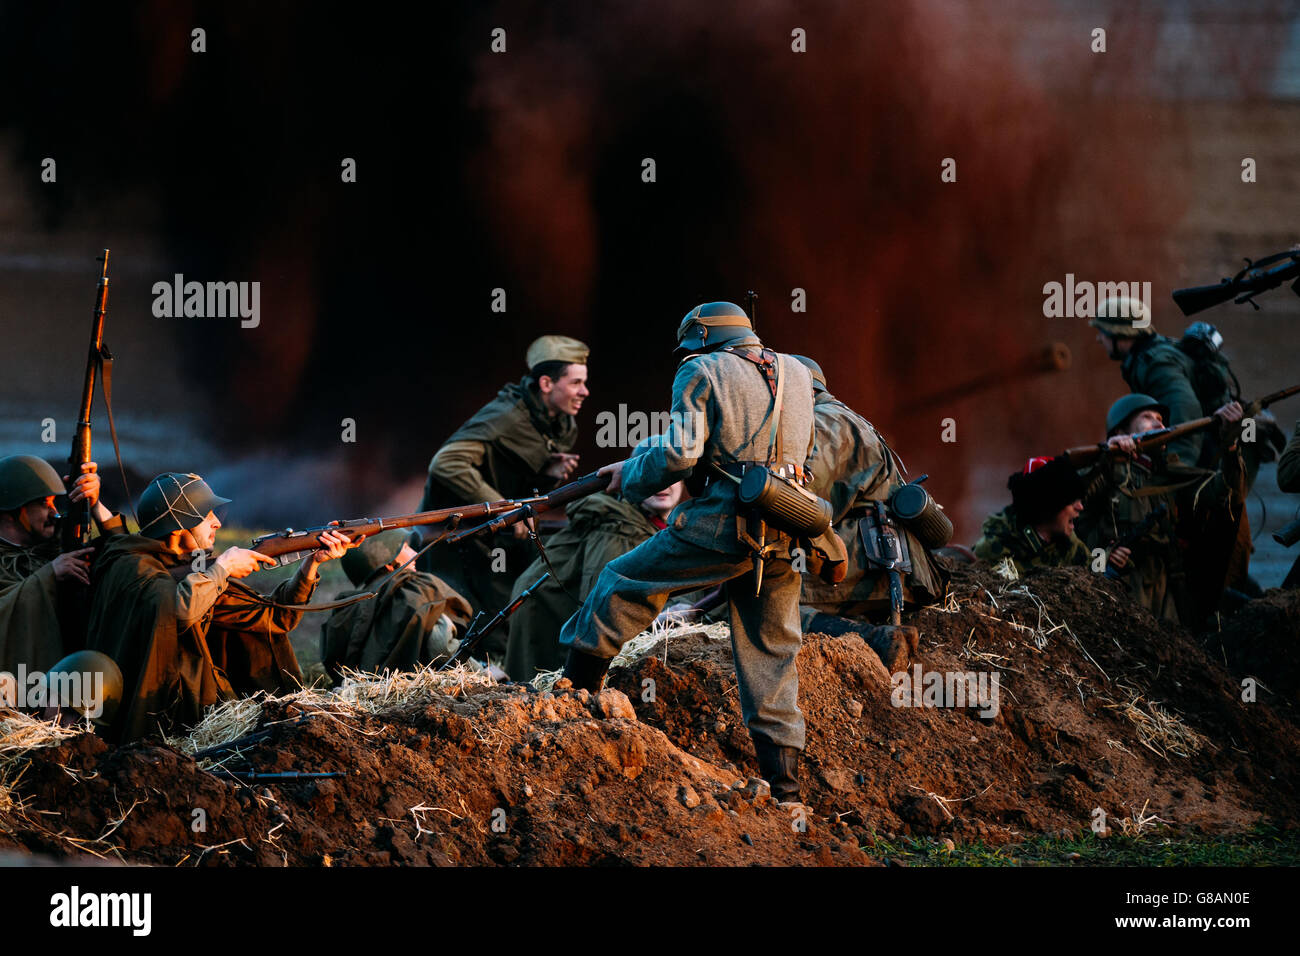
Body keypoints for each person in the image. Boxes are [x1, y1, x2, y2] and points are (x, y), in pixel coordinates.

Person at [557, 301, 821, 804]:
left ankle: (572, 697)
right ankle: (787, 792)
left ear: (700, 338)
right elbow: (775, 445)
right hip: (787, 524)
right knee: (773, 656)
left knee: (620, 582)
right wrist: (636, 457)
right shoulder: (797, 370)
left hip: (722, 526)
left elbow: (682, 452)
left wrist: (633, 477)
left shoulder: (698, 370)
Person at [88, 472, 349, 741]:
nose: (216, 523)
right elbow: (175, 611)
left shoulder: (130, 558)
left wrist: (311, 563)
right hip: (164, 726)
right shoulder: (141, 570)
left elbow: (275, 616)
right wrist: (223, 568)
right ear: (179, 527)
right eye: (206, 514)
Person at [417, 335, 590, 652]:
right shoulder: (508, 415)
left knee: (524, 599)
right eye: (576, 382)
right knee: (475, 620)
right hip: (455, 536)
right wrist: (501, 510)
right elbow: (446, 463)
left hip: (502, 534)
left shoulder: (560, 423)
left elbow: (510, 477)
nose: (584, 392)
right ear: (547, 383)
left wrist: (544, 474)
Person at [791, 356, 947, 671]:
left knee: (763, 599)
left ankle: (873, 639)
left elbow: (802, 500)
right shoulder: (839, 418)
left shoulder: (827, 424)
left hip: (878, 566)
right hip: (882, 564)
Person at [504, 458, 686, 682]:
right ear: (633, 480)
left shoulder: (654, 524)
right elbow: (601, 600)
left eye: (670, 478)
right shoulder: (618, 527)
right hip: (546, 631)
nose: (663, 486)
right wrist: (660, 620)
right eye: (652, 477)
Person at [1075, 393, 1247, 626]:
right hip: (1116, 588)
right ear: (1120, 432)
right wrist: (1108, 458)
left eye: (1161, 419)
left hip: (1168, 594)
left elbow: (1230, 493)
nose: (1159, 425)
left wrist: (1231, 442)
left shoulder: (1171, 473)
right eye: (1147, 417)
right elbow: (1069, 501)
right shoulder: (1103, 473)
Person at [0, 455, 124, 675]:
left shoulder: (62, 545)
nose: (53, 511)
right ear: (10, 514)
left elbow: (125, 558)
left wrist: (94, 504)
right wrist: (50, 575)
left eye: (53, 502)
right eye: (42, 503)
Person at [320, 529, 472, 683]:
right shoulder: (415, 589)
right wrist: (483, 671)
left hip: (363, 694)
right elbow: (442, 647)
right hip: (415, 692)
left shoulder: (347, 607)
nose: (414, 553)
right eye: (405, 548)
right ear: (387, 560)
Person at [974, 456, 1092, 576]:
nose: (1080, 507)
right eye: (1071, 501)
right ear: (1048, 507)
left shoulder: (1072, 546)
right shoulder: (994, 549)